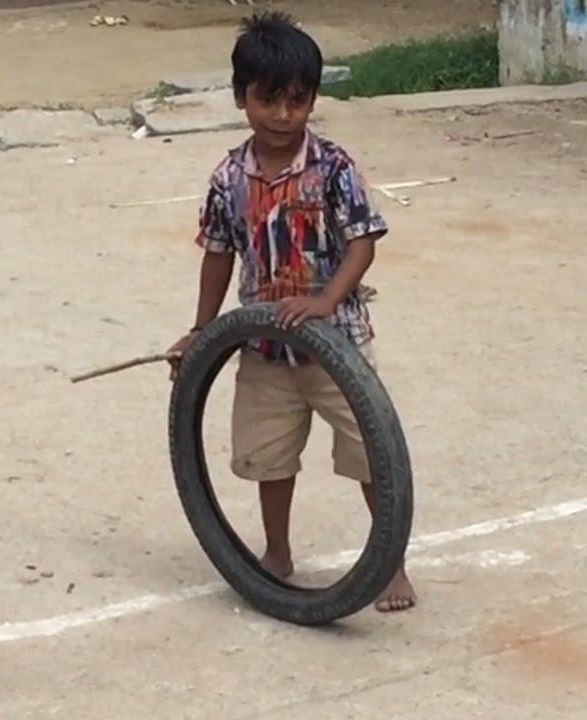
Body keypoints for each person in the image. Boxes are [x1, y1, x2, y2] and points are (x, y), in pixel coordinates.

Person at [166, 11, 414, 612]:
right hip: (265, 348)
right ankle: (276, 553)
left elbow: (363, 240)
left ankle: (390, 566)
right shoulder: (228, 178)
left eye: (298, 102)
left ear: (312, 101)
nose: (283, 116)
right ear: (240, 98)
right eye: (268, 100)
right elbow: (218, 255)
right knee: (270, 456)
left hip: (338, 345)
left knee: (370, 453)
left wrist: (327, 300)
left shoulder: (332, 167)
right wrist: (203, 331)